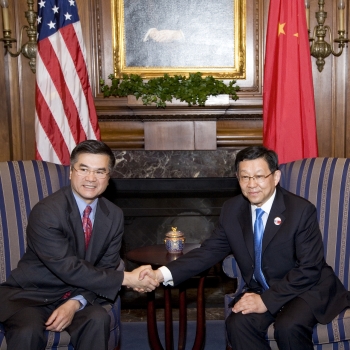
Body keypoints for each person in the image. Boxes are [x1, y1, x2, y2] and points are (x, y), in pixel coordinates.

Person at [139, 145, 350, 350]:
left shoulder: (300, 211)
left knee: (288, 327)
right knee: (238, 324)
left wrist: (266, 301)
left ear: (275, 178)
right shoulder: (232, 210)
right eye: (245, 177)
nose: (252, 184)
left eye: (259, 176)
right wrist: (160, 274)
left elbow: (309, 268)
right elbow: (208, 252)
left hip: (306, 288)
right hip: (264, 288)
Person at [0, 140, 158, 350]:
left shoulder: (114, 215)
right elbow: (66, 267)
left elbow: (106, 267)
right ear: (71, 172)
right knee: (26, 330)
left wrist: (75, 304)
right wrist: (127, 278)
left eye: (100, 172)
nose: (91, 178)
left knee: (97, 318)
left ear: (108, 178)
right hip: (31, 296)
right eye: (83, 169)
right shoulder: (47, 211)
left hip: (79, 292)